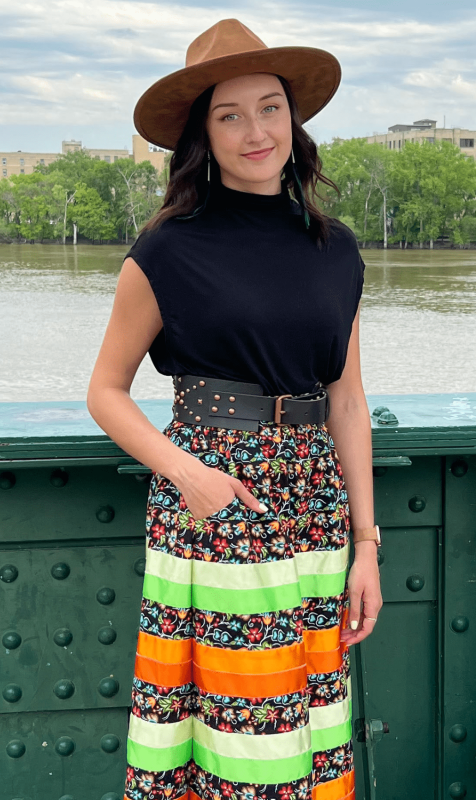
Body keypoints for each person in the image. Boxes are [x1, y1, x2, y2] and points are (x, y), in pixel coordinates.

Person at [87, 18, 383, 800]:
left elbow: (348, 400)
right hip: (220, 499)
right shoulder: (167, 248)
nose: (255, 130)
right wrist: (188, 473)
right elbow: (105, 391)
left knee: (306, 725)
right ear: (202, 136)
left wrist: (367, 546)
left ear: (295, 119)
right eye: (230, 115)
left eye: (270, 107)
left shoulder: (337, 247)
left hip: (316, 500)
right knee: (235, 728)